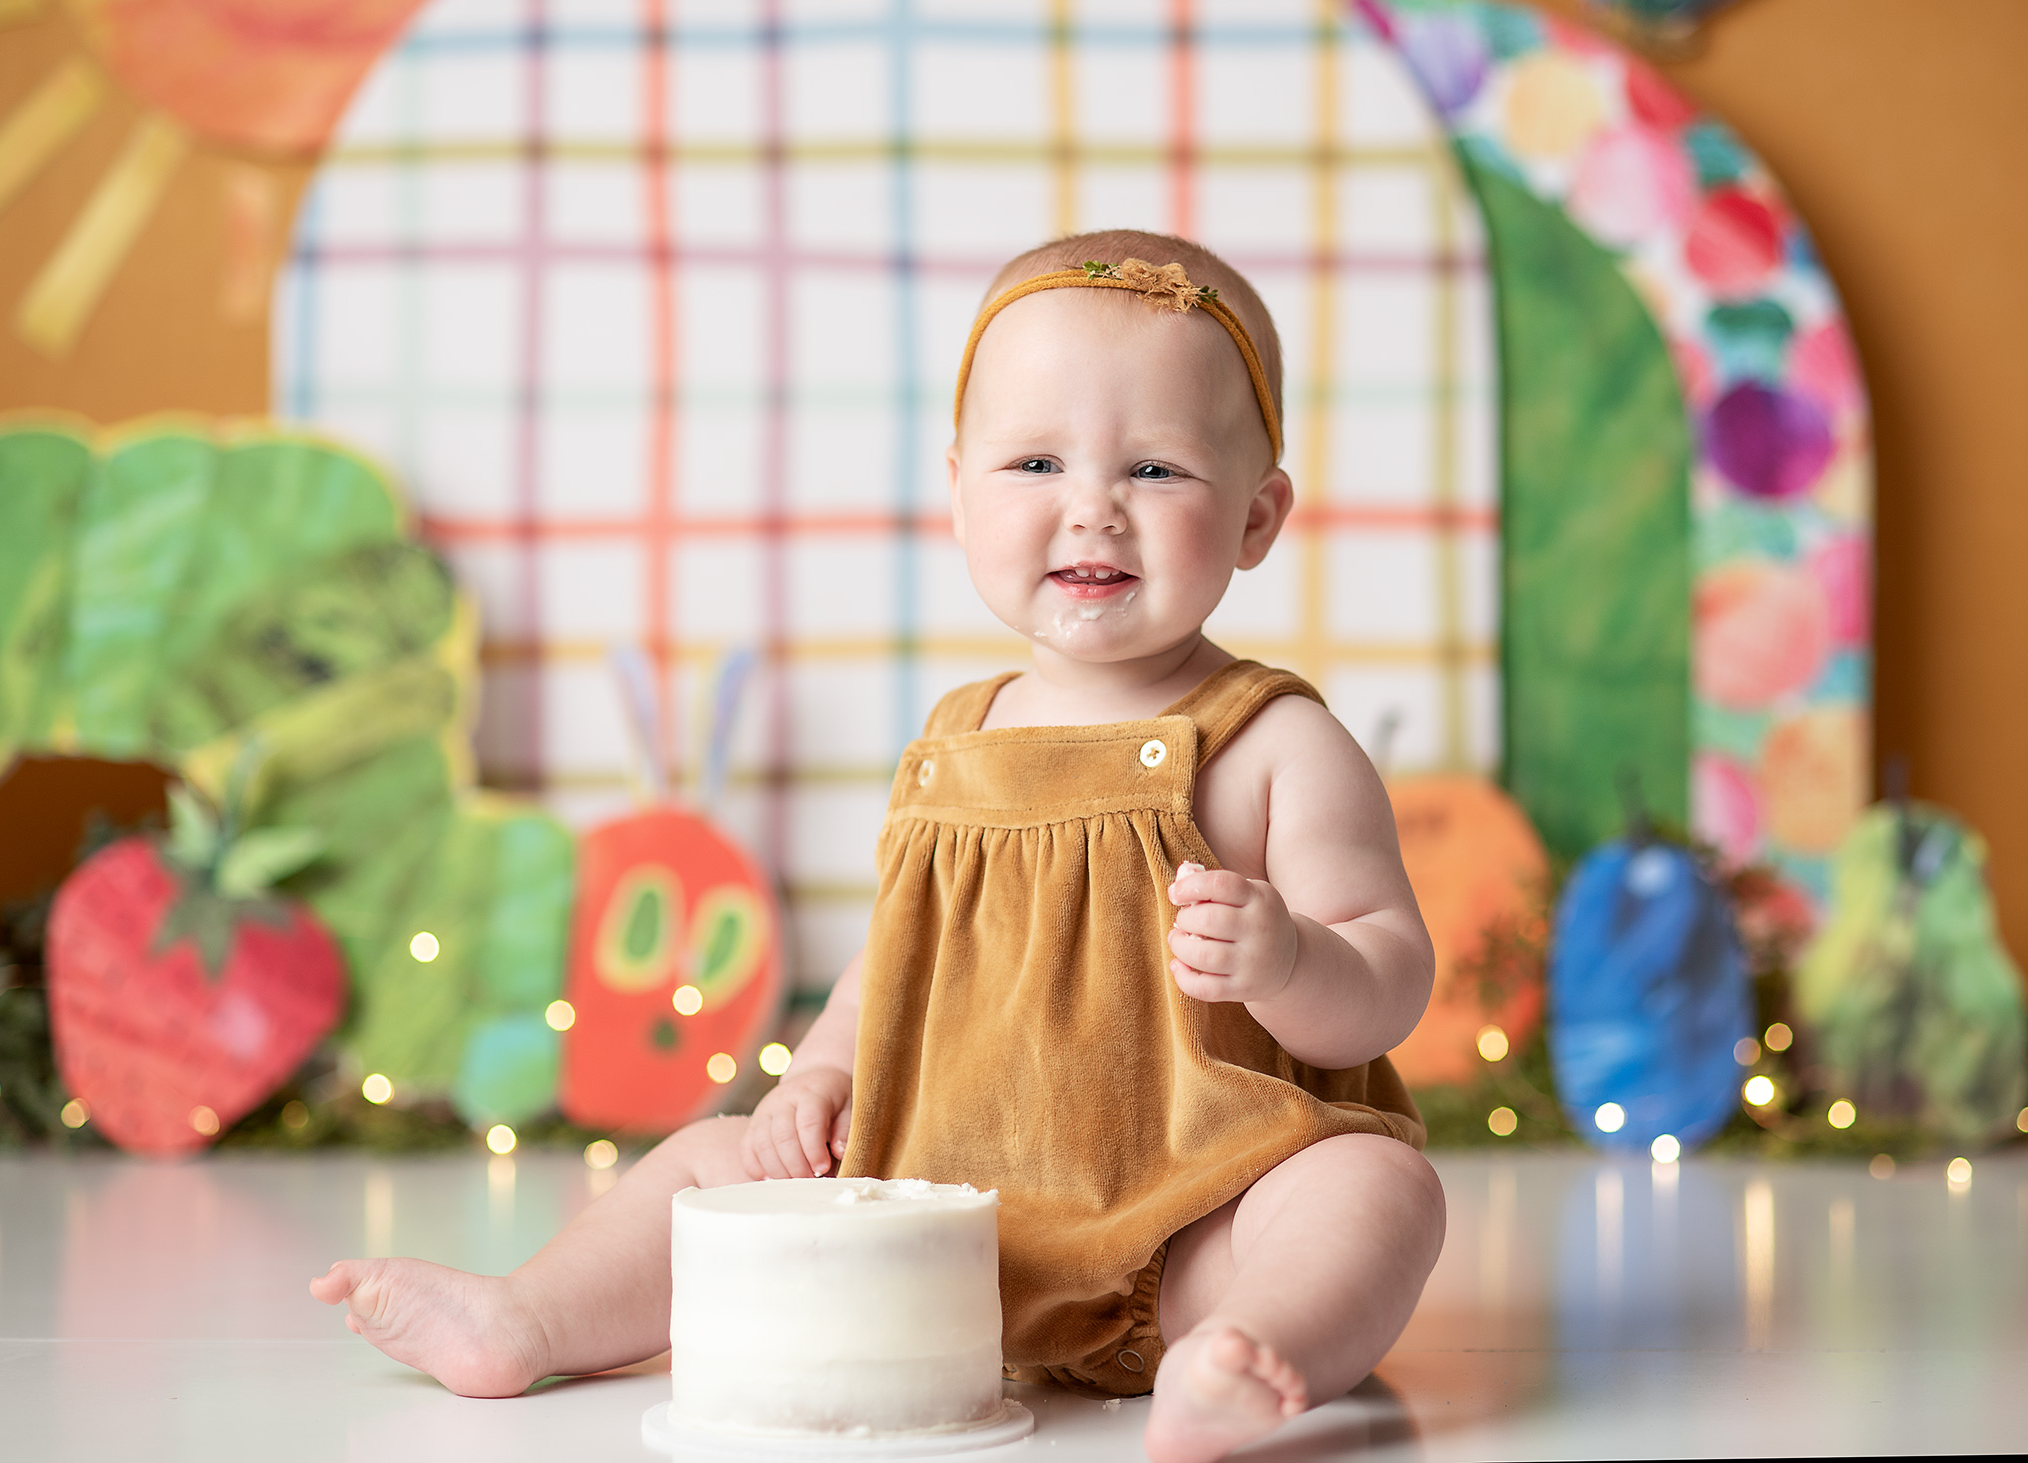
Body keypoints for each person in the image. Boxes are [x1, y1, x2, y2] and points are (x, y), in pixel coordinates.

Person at [312, 228, 1444, 1463]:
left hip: (1193, 1226)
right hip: (926, 1236)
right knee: (712, 1156)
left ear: (1256, 515)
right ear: (958, 493)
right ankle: (523, 1316)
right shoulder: (952, 740)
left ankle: (1244, 1358)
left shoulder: (1273, 742)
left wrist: (1288, 962)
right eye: (1034, 460)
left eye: (1158, 469)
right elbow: (892, 965)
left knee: (1369, 1189)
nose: (1091, 506)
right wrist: (813, 1076)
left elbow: (1385, 982)